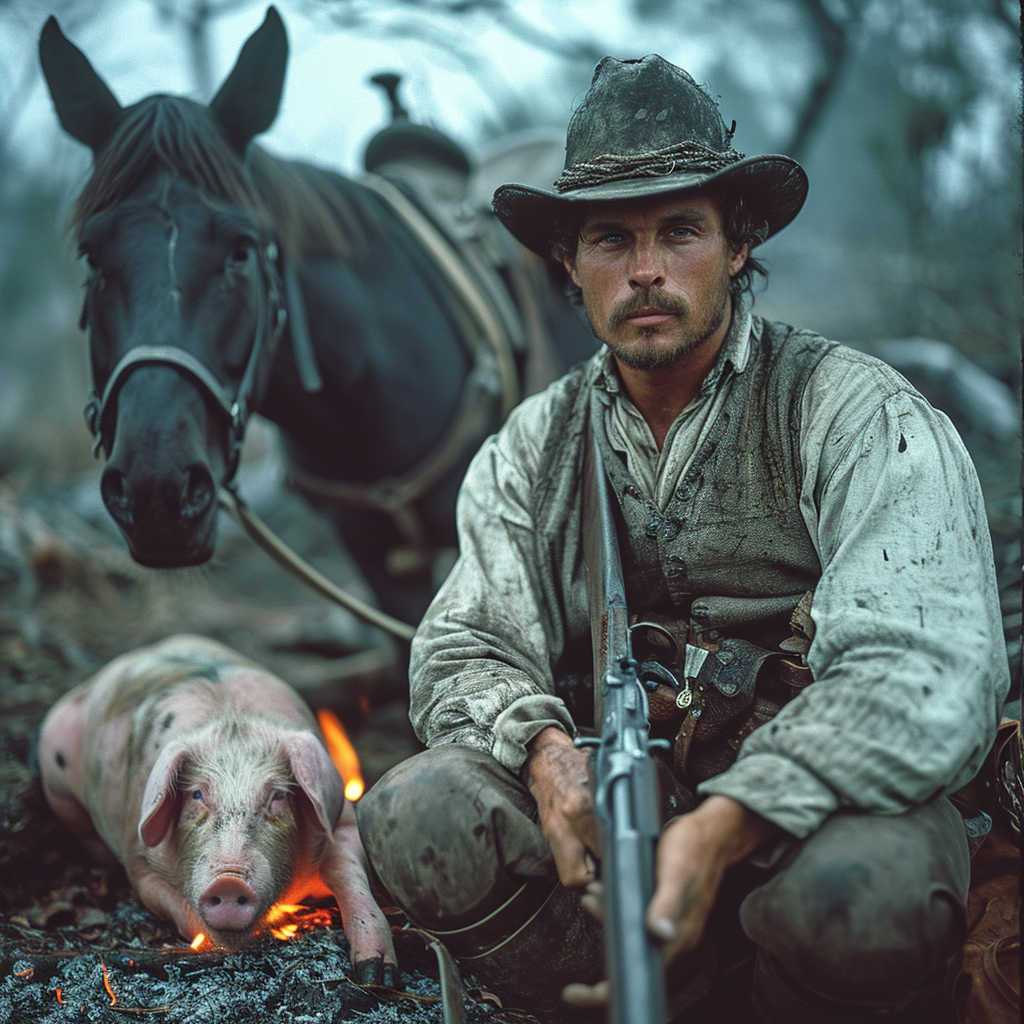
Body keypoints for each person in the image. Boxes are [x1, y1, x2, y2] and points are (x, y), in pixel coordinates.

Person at [357, 55, 1010, 1023]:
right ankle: (647, 992)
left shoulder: (854, 411)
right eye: (612, 238)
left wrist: (728, 824)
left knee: (862, 889)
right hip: (608, 836)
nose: (647, 269)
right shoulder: (531, 446)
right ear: (566, 266)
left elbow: (922, 672)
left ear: (738, 244)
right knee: (414, 811)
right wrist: (545, 756)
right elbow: (462, 642)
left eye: (681, 231)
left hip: (813, 822)